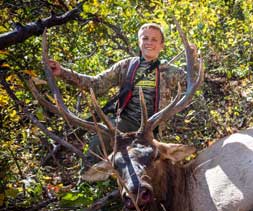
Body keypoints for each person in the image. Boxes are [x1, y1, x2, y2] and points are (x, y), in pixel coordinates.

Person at [48, 23, 199, 165]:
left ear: (162, 46)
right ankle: (88, 183)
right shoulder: (126, 65)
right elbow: (96, 84)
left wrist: (192, 59)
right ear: (139, 42)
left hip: (151, 128)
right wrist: (62, 72)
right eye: (145, 38)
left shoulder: (170, 71)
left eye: (154, 39)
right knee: (98, 144)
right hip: (125, 122)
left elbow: (194, 83)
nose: (149, 42)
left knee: (154, 166)